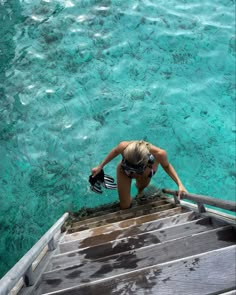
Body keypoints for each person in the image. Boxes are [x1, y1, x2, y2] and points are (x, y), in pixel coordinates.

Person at [91, 140, 187, 209]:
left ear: (149, 160)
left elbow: (166, 166)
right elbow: (115, 151)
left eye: (137, 169)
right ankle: (130, 195)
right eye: (128, 164)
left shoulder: (159, 154)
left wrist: (180, 184)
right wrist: (100, 166)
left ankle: (140, 192)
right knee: (125, 206)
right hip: (124, 172)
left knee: (141, 189)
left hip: (145, 174)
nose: (134, 173)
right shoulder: (123, 146)